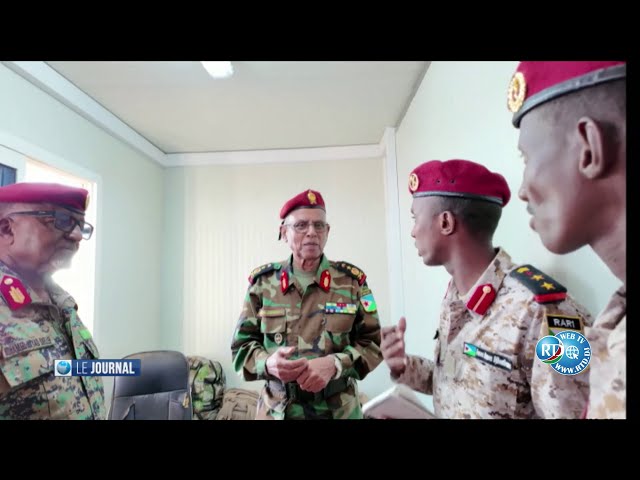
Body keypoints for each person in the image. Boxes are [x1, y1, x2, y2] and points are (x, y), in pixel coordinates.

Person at [381, 159, 593, 418]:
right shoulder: (455, 296)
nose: (413, 232)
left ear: (445, 222)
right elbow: (454, 381)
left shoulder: (542, 312)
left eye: (415, 218)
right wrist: (403, 366)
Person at [506, 61, 626, 418]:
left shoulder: (540, 306)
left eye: (527, 158)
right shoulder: (615, 320)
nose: (523, 190)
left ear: (588, 147)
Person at [231, 189, 383, 419]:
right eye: (301, 225)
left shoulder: (352, 282)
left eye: (319, 225)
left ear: (327, 232)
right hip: (277, 410)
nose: (312, 232)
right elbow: (241, 349)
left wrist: (336, 363)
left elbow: (373, 344)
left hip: (338, 411)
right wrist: (268, 363)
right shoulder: (262, 284)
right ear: (284, 233)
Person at [0, 182, 105, 419]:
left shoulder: (63, 305)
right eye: (62, 220)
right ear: (7, 229)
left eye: (81, 225)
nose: (77, 235)